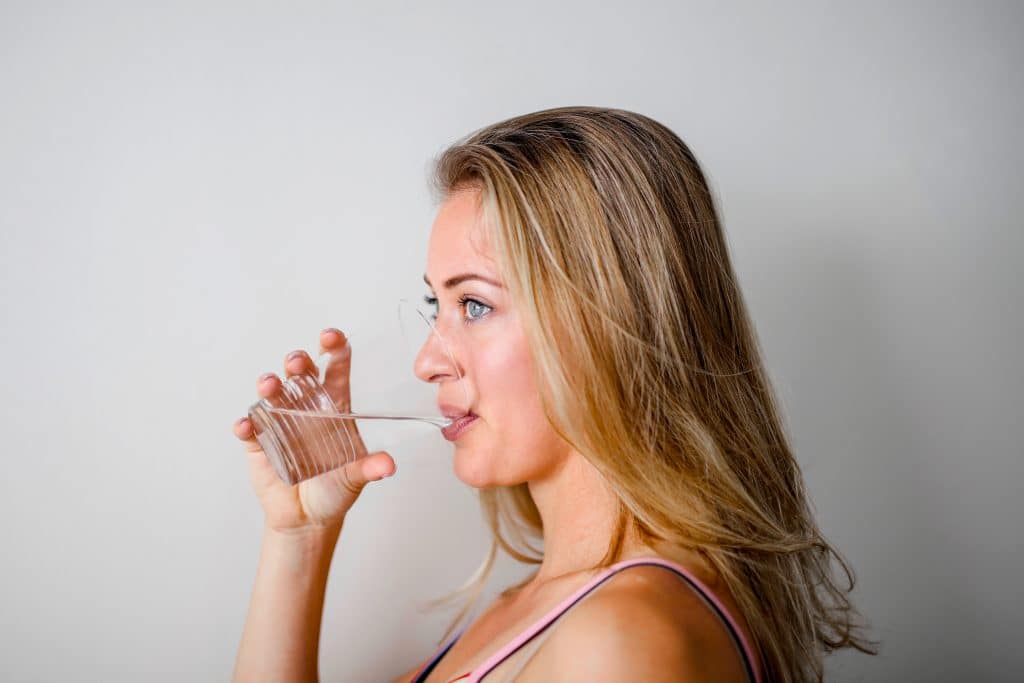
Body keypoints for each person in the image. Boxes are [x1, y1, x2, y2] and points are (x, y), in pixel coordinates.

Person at [231, 106, 878, 682]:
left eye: (476, 303)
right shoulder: (543, 605)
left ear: (608, 321)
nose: (427, 360)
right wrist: (302, 537)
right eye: (438, 303)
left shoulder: (623, 643)